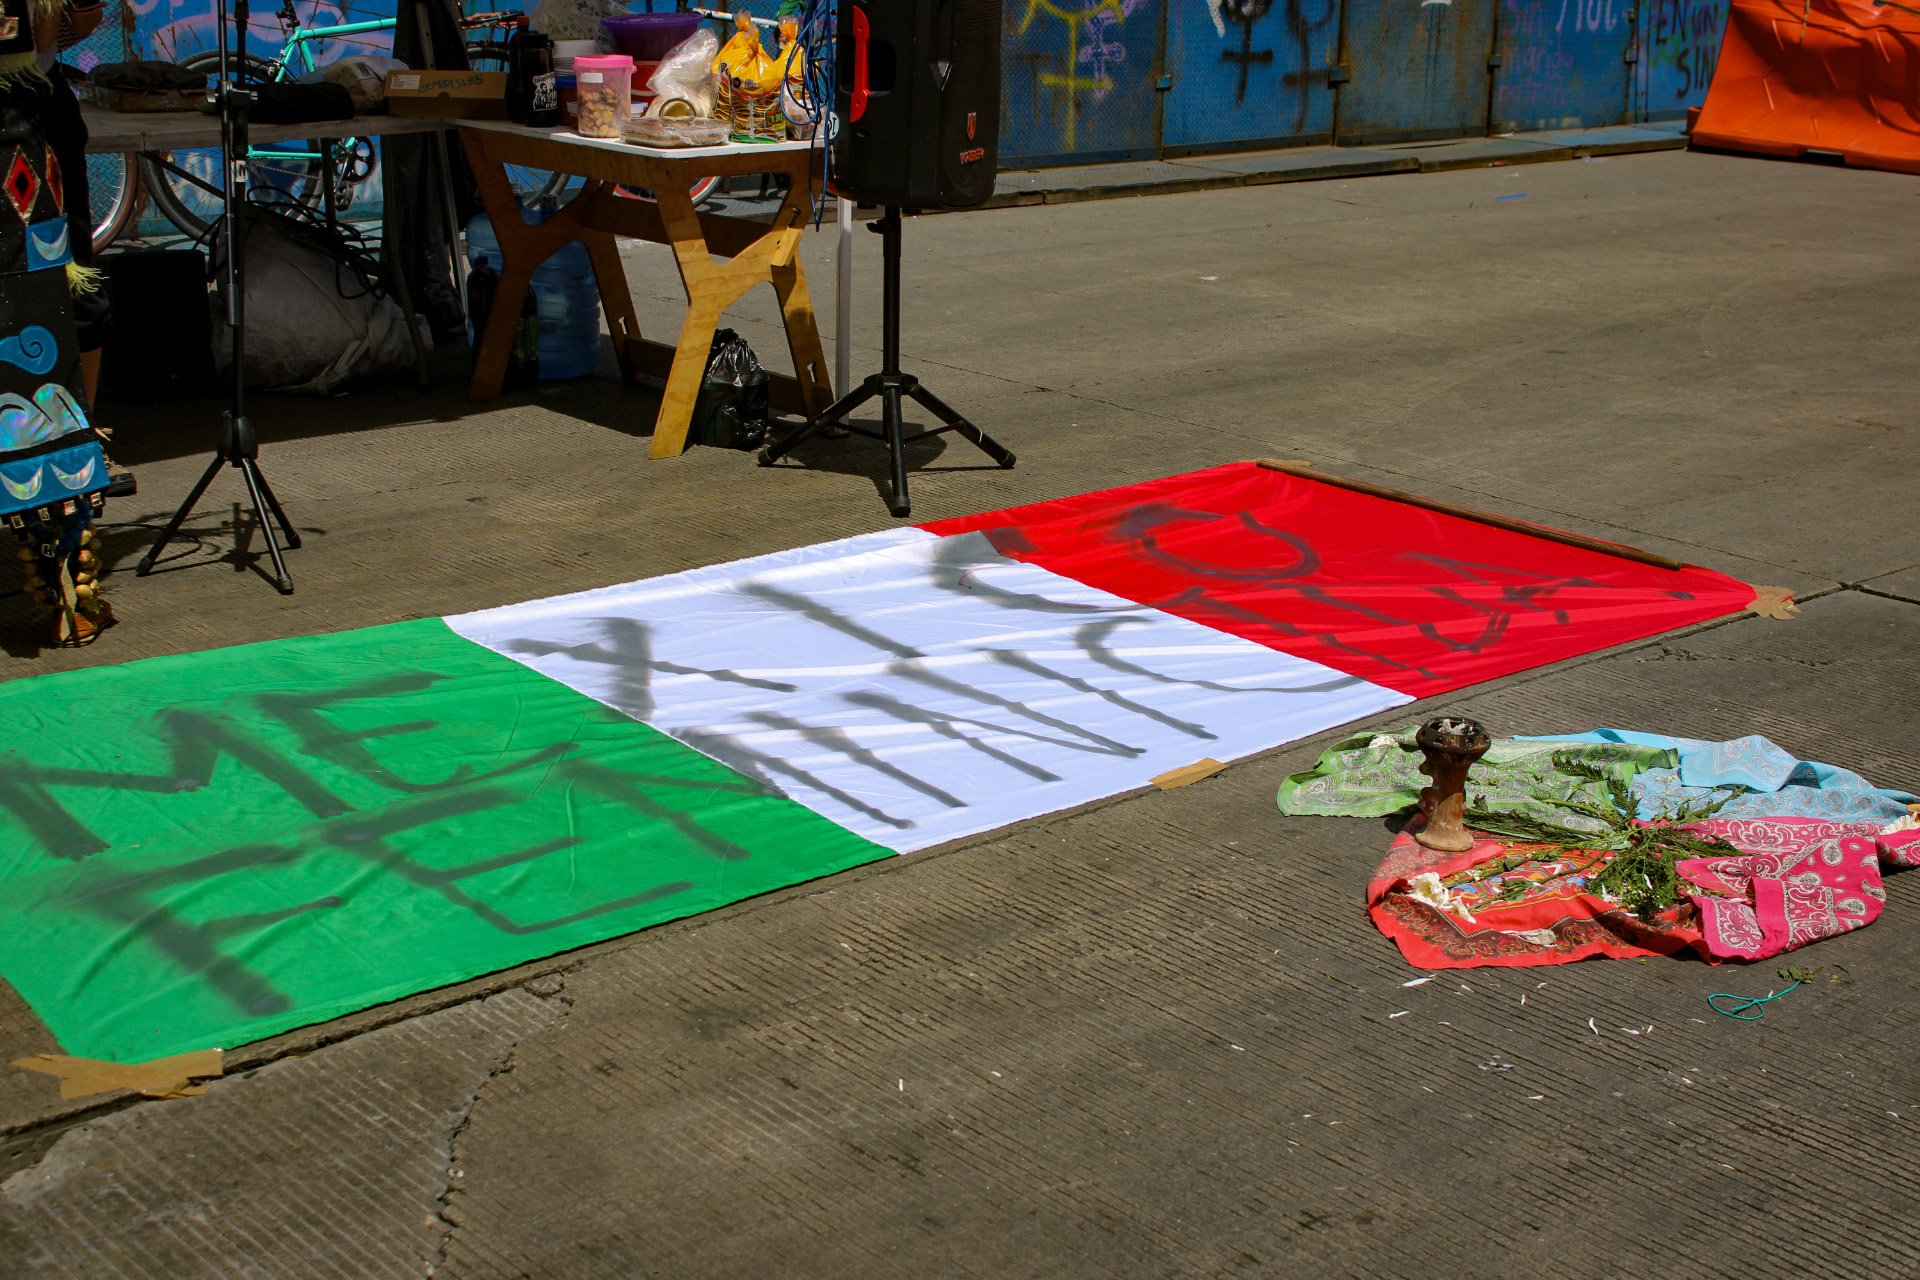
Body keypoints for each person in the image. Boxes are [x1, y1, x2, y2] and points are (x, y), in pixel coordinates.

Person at [0, 0, 116, 644]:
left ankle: (67, 571)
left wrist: (61, 17)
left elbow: (74, 23)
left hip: (28, 129)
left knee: (55, 318)